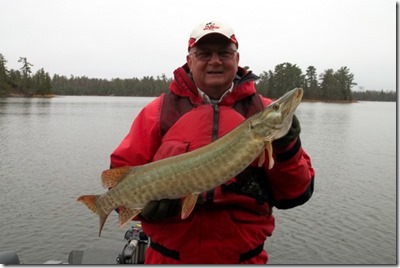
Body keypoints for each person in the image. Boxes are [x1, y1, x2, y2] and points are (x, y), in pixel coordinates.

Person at [109, 20, 315, 264]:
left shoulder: (264, 111)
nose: (215, 61)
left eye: (224, 53)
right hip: (168, 260)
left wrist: (287, 148)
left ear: (236, 58)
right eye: (205, 53)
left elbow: (296, 194)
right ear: (190, 60)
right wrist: (144, 210)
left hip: (244, 260)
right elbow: (118, 187)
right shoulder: (158, 113)